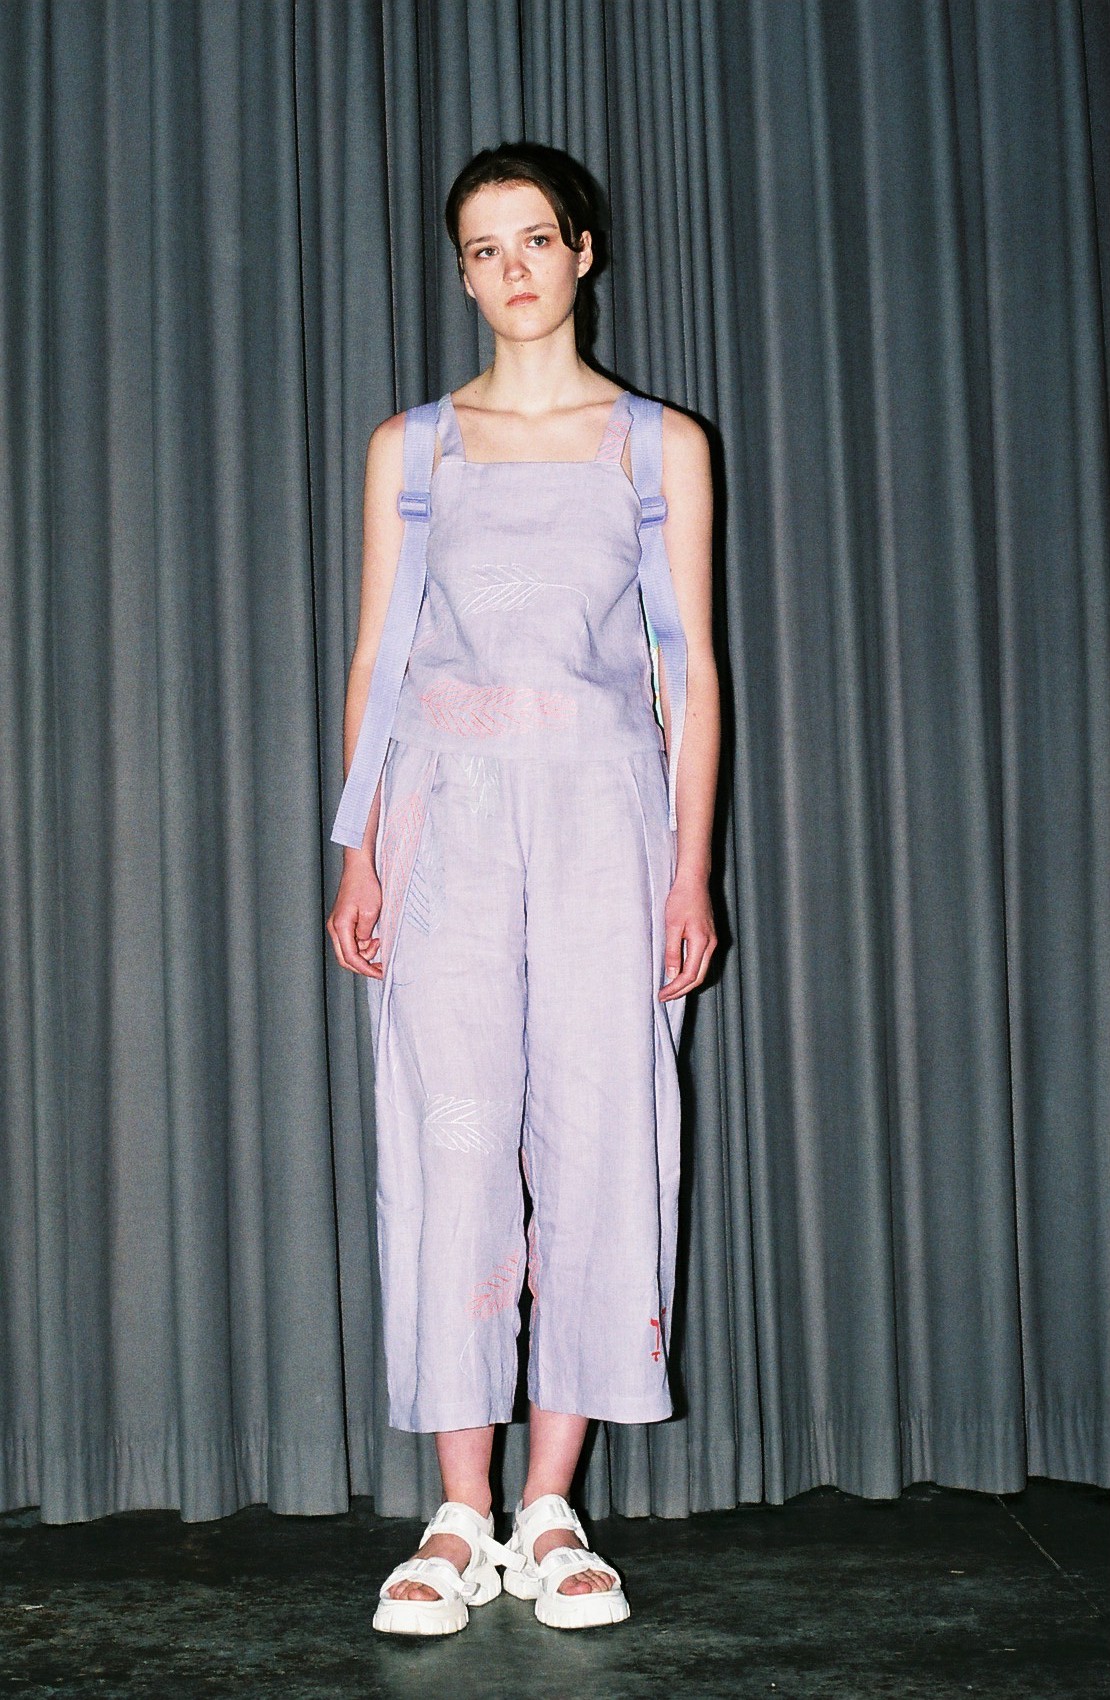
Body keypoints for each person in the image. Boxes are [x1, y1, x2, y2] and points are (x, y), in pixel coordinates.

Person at [326, 141, 719, 1636]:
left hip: (607, 819)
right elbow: (378, 658)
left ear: (582, 251)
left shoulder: (655, 446)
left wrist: (688, 870)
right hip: (448, 815)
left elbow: (687, 671)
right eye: (483, 249)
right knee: (450, 1140)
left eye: (534, 241)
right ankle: (457, 1512)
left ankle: (550, 1508)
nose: (512, 270)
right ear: (463, 273)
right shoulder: (413, 448)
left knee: (605, 1132)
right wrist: (360, 847)